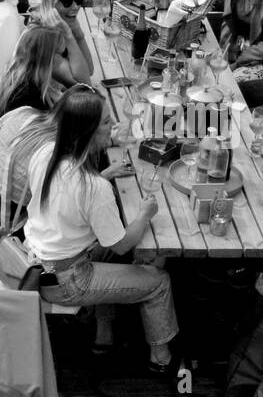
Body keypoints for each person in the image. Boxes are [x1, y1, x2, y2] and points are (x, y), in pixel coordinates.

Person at [23, 89, 176, 371]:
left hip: (34, 259)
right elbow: (121, 244)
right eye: (106, 123)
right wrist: (144, 214)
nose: (113, 127)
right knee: (158, 280)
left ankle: (104, 333)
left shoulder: (46, 153)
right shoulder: (94, 189)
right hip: (67, 281)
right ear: (88, 132)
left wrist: (104, 175)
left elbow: (64, 198)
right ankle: (161, 358)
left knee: (112, 257)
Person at [0, 28, 67, 243]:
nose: (64, 60)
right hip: (4, 224)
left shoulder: (17, 78)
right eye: (60, 54)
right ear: (46, 60)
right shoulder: (32, 99)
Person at [28, 0, 94, 87]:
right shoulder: (42, 37)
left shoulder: (61, 26)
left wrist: (79, 36)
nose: (75, 7)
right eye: (67, 1)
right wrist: (69, 36)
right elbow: (84, 84)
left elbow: (89, 70)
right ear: (48, 4)